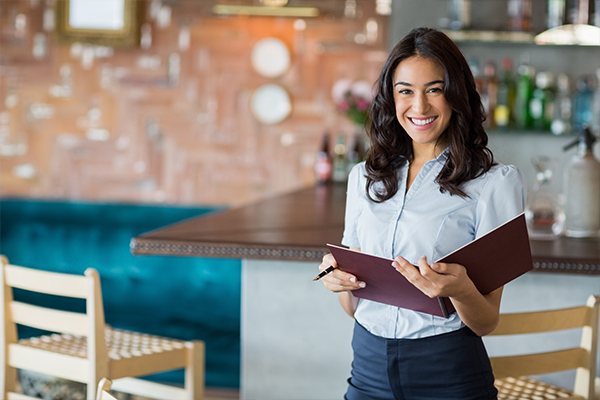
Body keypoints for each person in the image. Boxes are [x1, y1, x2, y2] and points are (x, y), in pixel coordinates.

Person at [317, 27, 526, 400]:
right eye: (405, 91)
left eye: (434, 89)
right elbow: (354, 307)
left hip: (447, 372)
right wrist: (340, 281)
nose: (420, 107)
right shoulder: (364, 177)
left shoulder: (494, 184)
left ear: (456, 93)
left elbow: (486, 321)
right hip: (367, 368)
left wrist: (461, 291)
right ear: (390, 97)